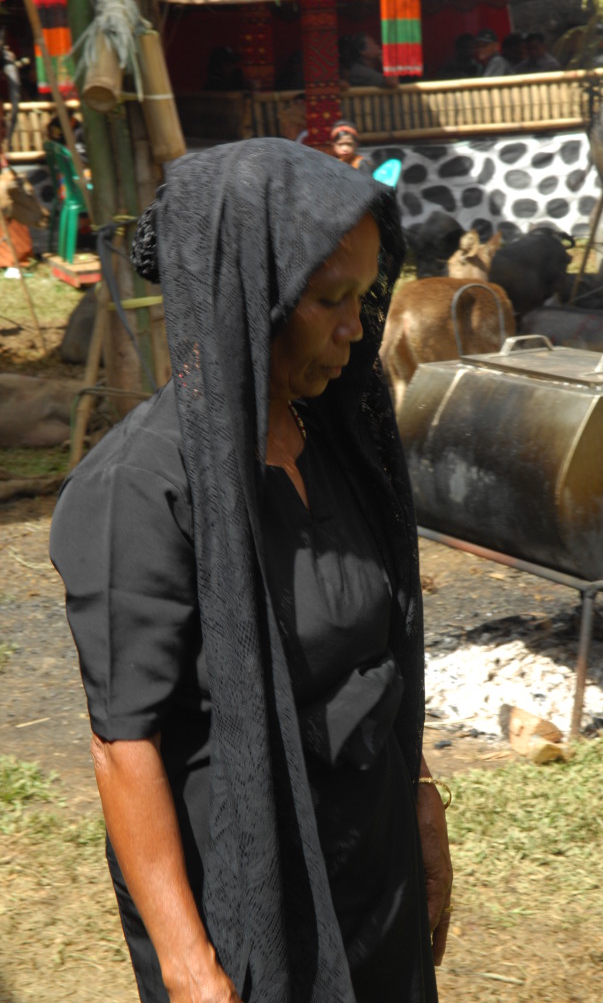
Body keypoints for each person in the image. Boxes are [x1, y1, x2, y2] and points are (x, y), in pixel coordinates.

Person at [50, 138, 452, 1003]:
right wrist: (191, 966)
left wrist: (422, 801)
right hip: (252, 904)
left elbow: (380, 659)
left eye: (363, 296)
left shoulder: (338, 443)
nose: (357, 328)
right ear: (249, 294)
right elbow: (123, 745)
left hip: (374, 873)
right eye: (329, 299)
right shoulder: (139, 490)